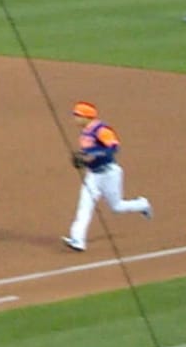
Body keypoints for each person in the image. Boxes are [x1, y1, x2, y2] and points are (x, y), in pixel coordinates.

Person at [63, 101, 152, 251]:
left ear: (87, 116)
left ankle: (142, 204)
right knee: (84, 207)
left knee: (116, 207)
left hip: (109, 174)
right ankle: (77, 240)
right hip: (93, 176)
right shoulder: (85, 132)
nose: (75, 118)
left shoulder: (101, 130)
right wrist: (84, 162)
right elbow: (91, 156)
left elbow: (113, 148)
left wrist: (89, 154)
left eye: (78, 115)